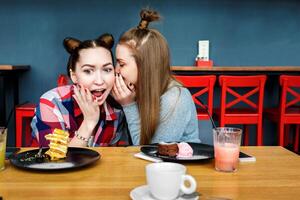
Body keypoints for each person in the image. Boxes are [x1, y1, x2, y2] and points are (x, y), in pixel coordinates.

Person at [112, 9, 200, 145]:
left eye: (121, 64)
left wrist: (128, 106)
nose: (116, 70)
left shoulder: (174, 99)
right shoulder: (135, 89)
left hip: (179, 164)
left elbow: (152, 152)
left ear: (145, 65)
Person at [31, 34, 130, 147]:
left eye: (107, 69)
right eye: (88, 71)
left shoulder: (117, 112)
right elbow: (54, 161)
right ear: (74, 76)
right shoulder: (51, 103)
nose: (99, 81)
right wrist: (89, 122)